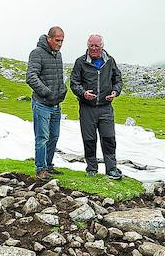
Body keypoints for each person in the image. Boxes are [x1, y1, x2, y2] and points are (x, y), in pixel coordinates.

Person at [70, 34, 123, 179]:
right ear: (87, 46)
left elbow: (118, 80)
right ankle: (91, 169)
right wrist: (83, 93)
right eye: (90, 46)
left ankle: (111, 169)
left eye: (96, 46)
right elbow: (74, 83)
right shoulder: (80, 62)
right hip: (87, 108)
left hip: (106, 108)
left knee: (109, 139)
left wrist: (115, 92)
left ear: (102, 47)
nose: (93, 49)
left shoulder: (110, 61)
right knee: (89, 139)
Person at [26, 26, 68, 180]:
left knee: (54, 136)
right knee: (42, 137)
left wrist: (63, 90)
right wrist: (47, 92)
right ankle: (40, 169)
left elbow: (59, 77)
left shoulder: (58, 55)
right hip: (42, 103)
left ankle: (48, 165)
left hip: (56, 105)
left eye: (62, 40)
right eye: (57, 40)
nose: (60, 43)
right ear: (49, 38)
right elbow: (31, 76)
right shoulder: (37, 53)